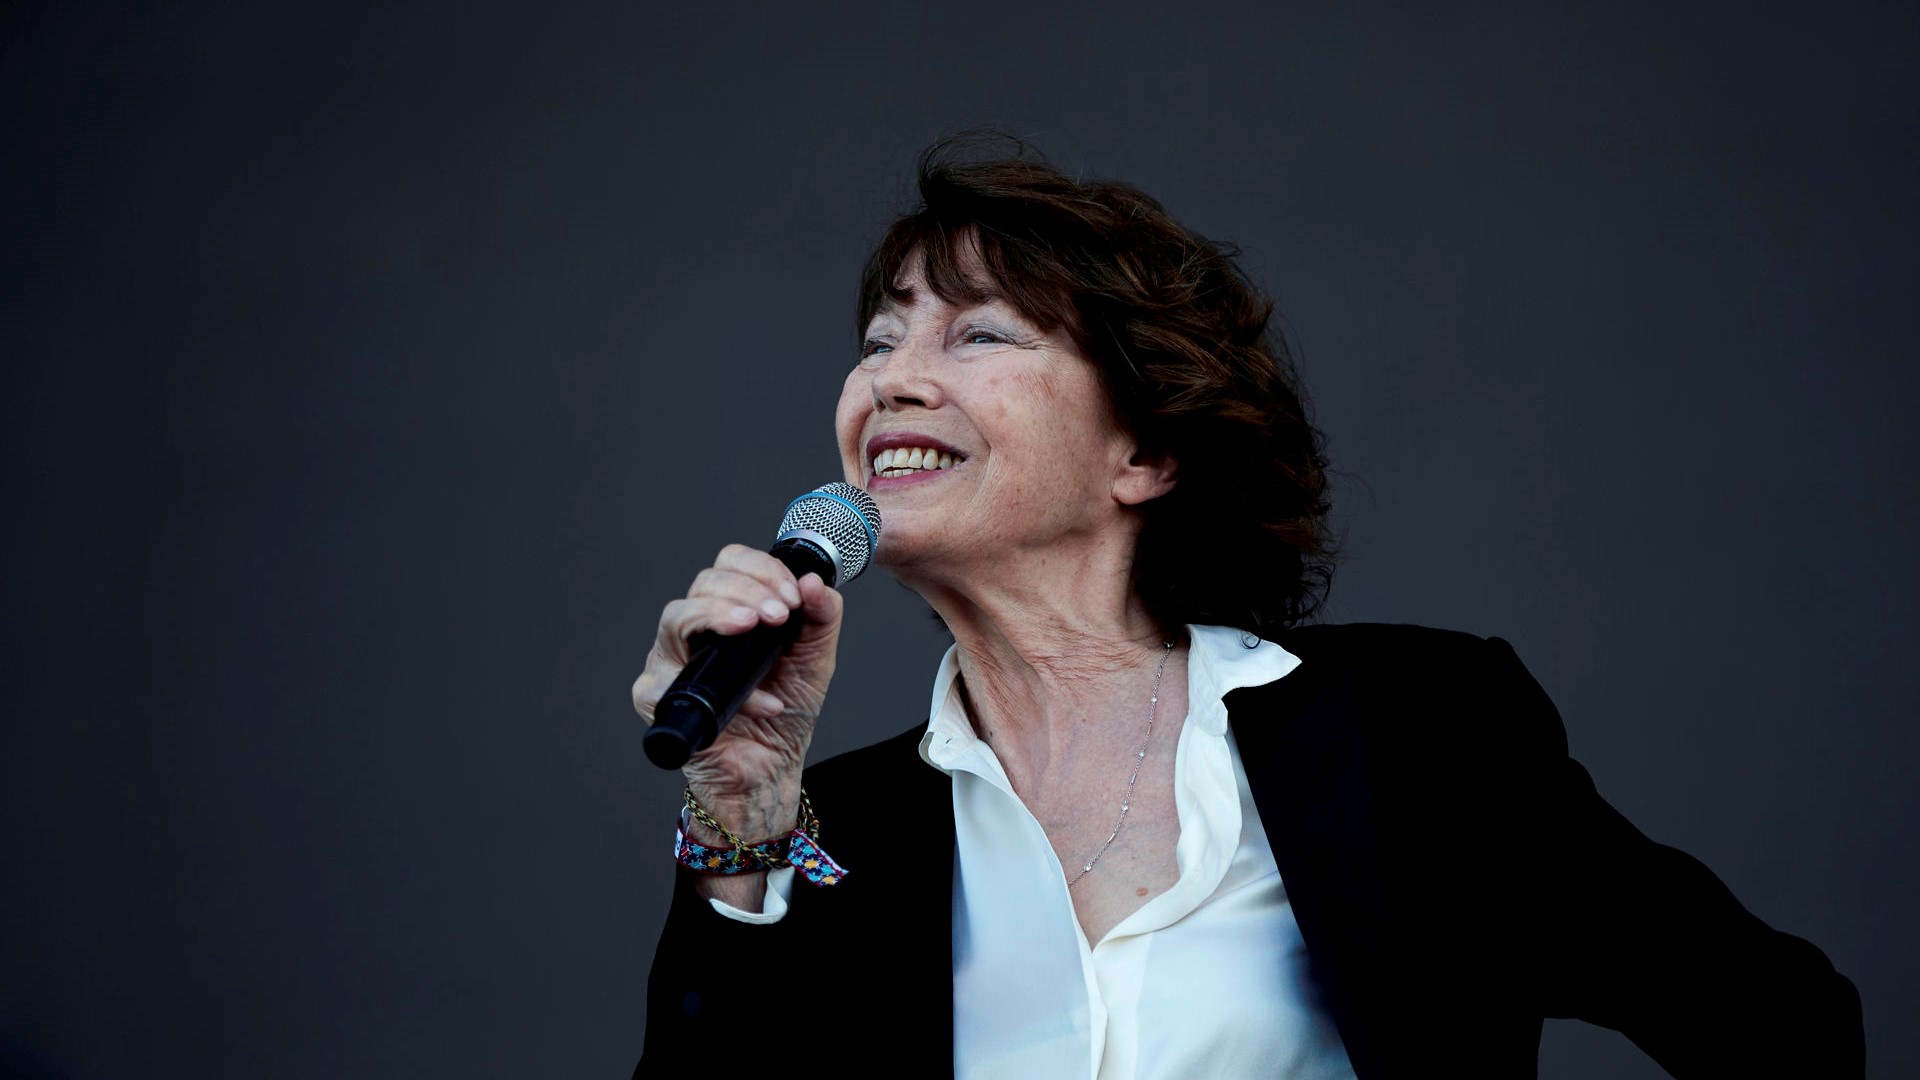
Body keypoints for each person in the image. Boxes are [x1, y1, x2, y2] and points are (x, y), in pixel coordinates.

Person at [629, 135, 1862, 1078]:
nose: (891, 379)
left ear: (1145, 454)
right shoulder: (833, 835)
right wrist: (740, 825)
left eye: (979, 336)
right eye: (877, 341)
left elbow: (1785, 1025)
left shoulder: (1422, 729)